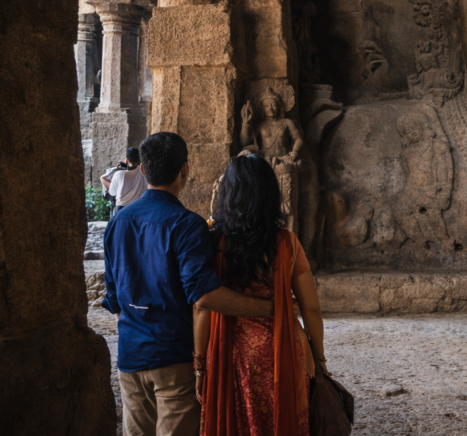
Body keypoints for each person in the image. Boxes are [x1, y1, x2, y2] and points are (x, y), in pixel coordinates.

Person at [102, 133, 277, 436]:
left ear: (142, 169)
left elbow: (113, 296)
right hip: (173, 358)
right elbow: (204, 295)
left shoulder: (118, 222)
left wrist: (137, 329)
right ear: (185, 169)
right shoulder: (187, 224)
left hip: (130, 357)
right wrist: (270, 308)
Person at [197, 154, 328, 436]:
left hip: (231, 350)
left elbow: (203, 306)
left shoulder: (214, 243)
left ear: (228, 193)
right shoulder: (286, 243)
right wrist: (320, 360)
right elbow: (311, 309)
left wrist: (199, 364)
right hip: (282, 348)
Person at [100, 147, 149, 217]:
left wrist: (102, 178)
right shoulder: (142, 171)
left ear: (126, 160)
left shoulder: (119, 174)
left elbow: (112, 192)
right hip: (137, 208)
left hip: (121, 209)